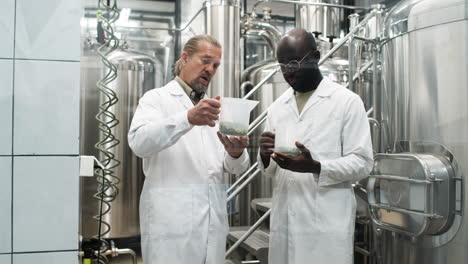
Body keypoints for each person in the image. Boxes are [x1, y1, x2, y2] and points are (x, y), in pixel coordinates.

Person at [128, 35, 250, 264]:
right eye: (205, 60)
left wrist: (236, 153)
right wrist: (188, 118)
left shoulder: (216, 109)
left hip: (212, 222)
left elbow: (234, 167)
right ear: (185, 58)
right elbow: (138, 143)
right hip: (171, 226)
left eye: (215, 65)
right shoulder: (156, 99)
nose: (210, 69)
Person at [258, 28, 373, 264]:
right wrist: (265, 155)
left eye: (293, 62)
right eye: (282, 65)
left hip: (326, 224)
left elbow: (362, 163)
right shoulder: (278, 107)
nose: (288, 71)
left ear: (315, 56)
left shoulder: (346, 102)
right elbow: (270, 171)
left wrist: (317, 167)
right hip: (286, 220)